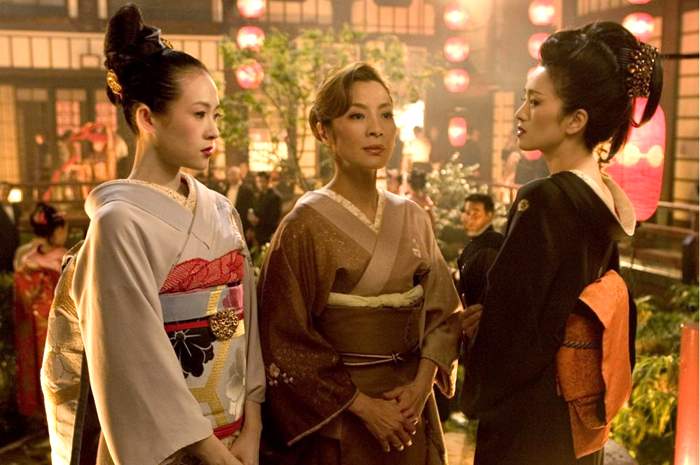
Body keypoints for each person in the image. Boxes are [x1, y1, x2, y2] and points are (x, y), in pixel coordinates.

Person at [40, 5, 264, 465]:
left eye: (216, 115)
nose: (213, 131)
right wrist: (211, 452)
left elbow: (248, 328)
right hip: (170, 449)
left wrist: (253, 424)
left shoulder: (221, 210)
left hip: (237, 433)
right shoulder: (117, 223)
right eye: (199, 114)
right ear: (146, 118)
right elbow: (133, 361)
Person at [460, 22, 662, 464]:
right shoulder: (603, 199)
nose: (520, 113)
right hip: (574, 420)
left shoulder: (544, 199)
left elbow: (512, 330)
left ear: (575, 120)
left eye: (535, 102)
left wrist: (482, 317)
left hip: (530, 422)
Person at [257, 62, 461, 465]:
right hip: (341, 420)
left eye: (386, 114)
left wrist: (421, 387)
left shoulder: (413, 216)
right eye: (357, 115)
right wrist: (364, 408)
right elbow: (283, 337)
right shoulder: (303, 225)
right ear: (323, 131)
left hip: (410, 412)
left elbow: (444, 314)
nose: (376, 129)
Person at [13, 203, 67, 423]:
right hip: (57, 327)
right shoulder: (63, 258)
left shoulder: (25, 259)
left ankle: (37, 415)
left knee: (35, 368)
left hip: (31, 326)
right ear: (57, 230)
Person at [456, 193, 504, 307]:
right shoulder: (475, 243)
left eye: (476, 214)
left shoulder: (492, 244)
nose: (470, 219)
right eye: (467, 213)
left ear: (489, 215)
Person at [248, 171, 281, 246]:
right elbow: (255, 210)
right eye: (258, 182)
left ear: (268, 181)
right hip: (257, 232)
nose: (260, 184)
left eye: (262, 181)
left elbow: (274, 219)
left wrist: (258, 221)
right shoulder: (259, 195)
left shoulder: (275, 197)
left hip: (268, 233)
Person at [226, 165, 255, 238]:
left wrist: (250, 228)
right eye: (229, 175)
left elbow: (251, 209)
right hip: (228, 225)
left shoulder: (247, 190)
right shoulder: (225, 189)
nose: (231, 177)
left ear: (239, 175)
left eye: (233, 174)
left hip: (243, 224)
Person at [0, 183, 20, 273]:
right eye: (3, 189)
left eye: (7, 189)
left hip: (13, 241)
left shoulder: (15, 208)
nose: (5, 191)